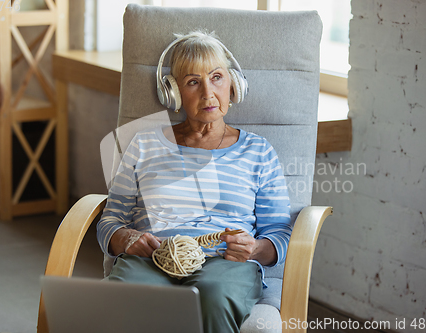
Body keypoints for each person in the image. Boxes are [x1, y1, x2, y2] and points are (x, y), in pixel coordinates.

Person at [97, 31, 292, 333]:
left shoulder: (259, 151)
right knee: (126, 298)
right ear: (173, 93)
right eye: (192, 82)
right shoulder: (145, 144)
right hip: (153, 257)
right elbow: (111, 218)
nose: (208, 93)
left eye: (217, 77)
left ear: (234, 85)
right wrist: (124, 239)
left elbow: (279, 232)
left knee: (214, 295)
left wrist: (253, 248)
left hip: (224, 263)